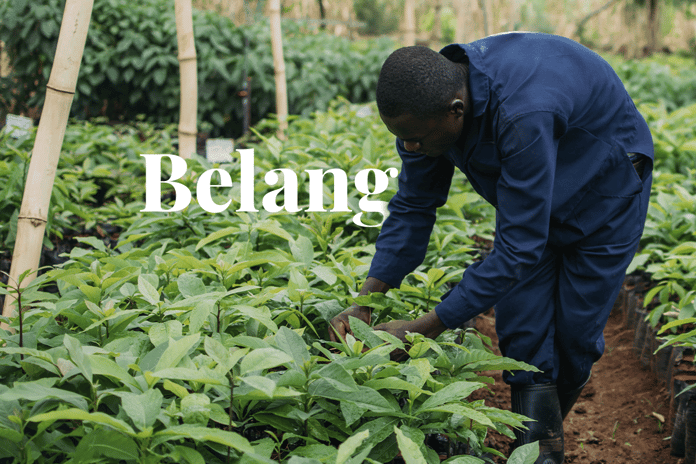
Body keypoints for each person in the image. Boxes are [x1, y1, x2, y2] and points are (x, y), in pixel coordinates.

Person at [328, 32, 653, 464]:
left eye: (416, 139)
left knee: (575, 338)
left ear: (456, 111)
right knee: (523, 333)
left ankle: (542, 438)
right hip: (532, 199)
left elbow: (519, 248)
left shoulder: (521, 111)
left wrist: (426, 326)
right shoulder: (425, 115)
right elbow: (413, 206)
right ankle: (538, 453)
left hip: (603, 193)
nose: (410, 148)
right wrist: (366, 300)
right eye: (400, 138)